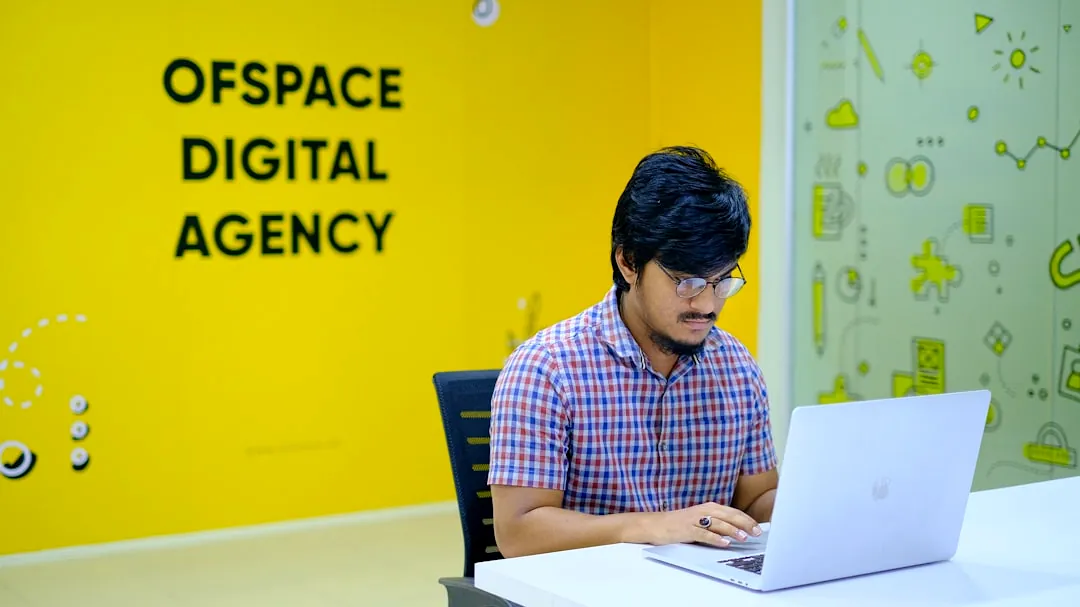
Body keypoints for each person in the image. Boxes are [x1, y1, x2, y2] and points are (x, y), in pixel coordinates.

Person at [486, 145, 779, 558]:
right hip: (590, 585)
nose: (706, 304)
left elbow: (756, 500)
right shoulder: (547, 369)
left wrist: (815, 506)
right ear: (628, 263)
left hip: (705, 584)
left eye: (722, 281)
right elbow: (519, 533)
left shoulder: (737, 368)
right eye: (688, 282)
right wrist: (650, 526)